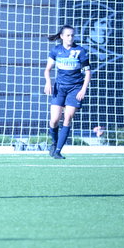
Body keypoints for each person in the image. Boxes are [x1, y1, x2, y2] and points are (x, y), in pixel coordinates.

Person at [43, 24, 91, 159]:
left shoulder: (80, 51)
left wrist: (83, 89)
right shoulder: (56, 50)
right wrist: (48, 82)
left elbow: (88, 73)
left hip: (75, 89)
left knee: (68, 118)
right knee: (54, 120)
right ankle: (54, 143)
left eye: (72, 35)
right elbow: (47, 70)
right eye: (68, 35)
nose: (70, 38)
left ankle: (58, 151)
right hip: (59, 88)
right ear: (62, 36)